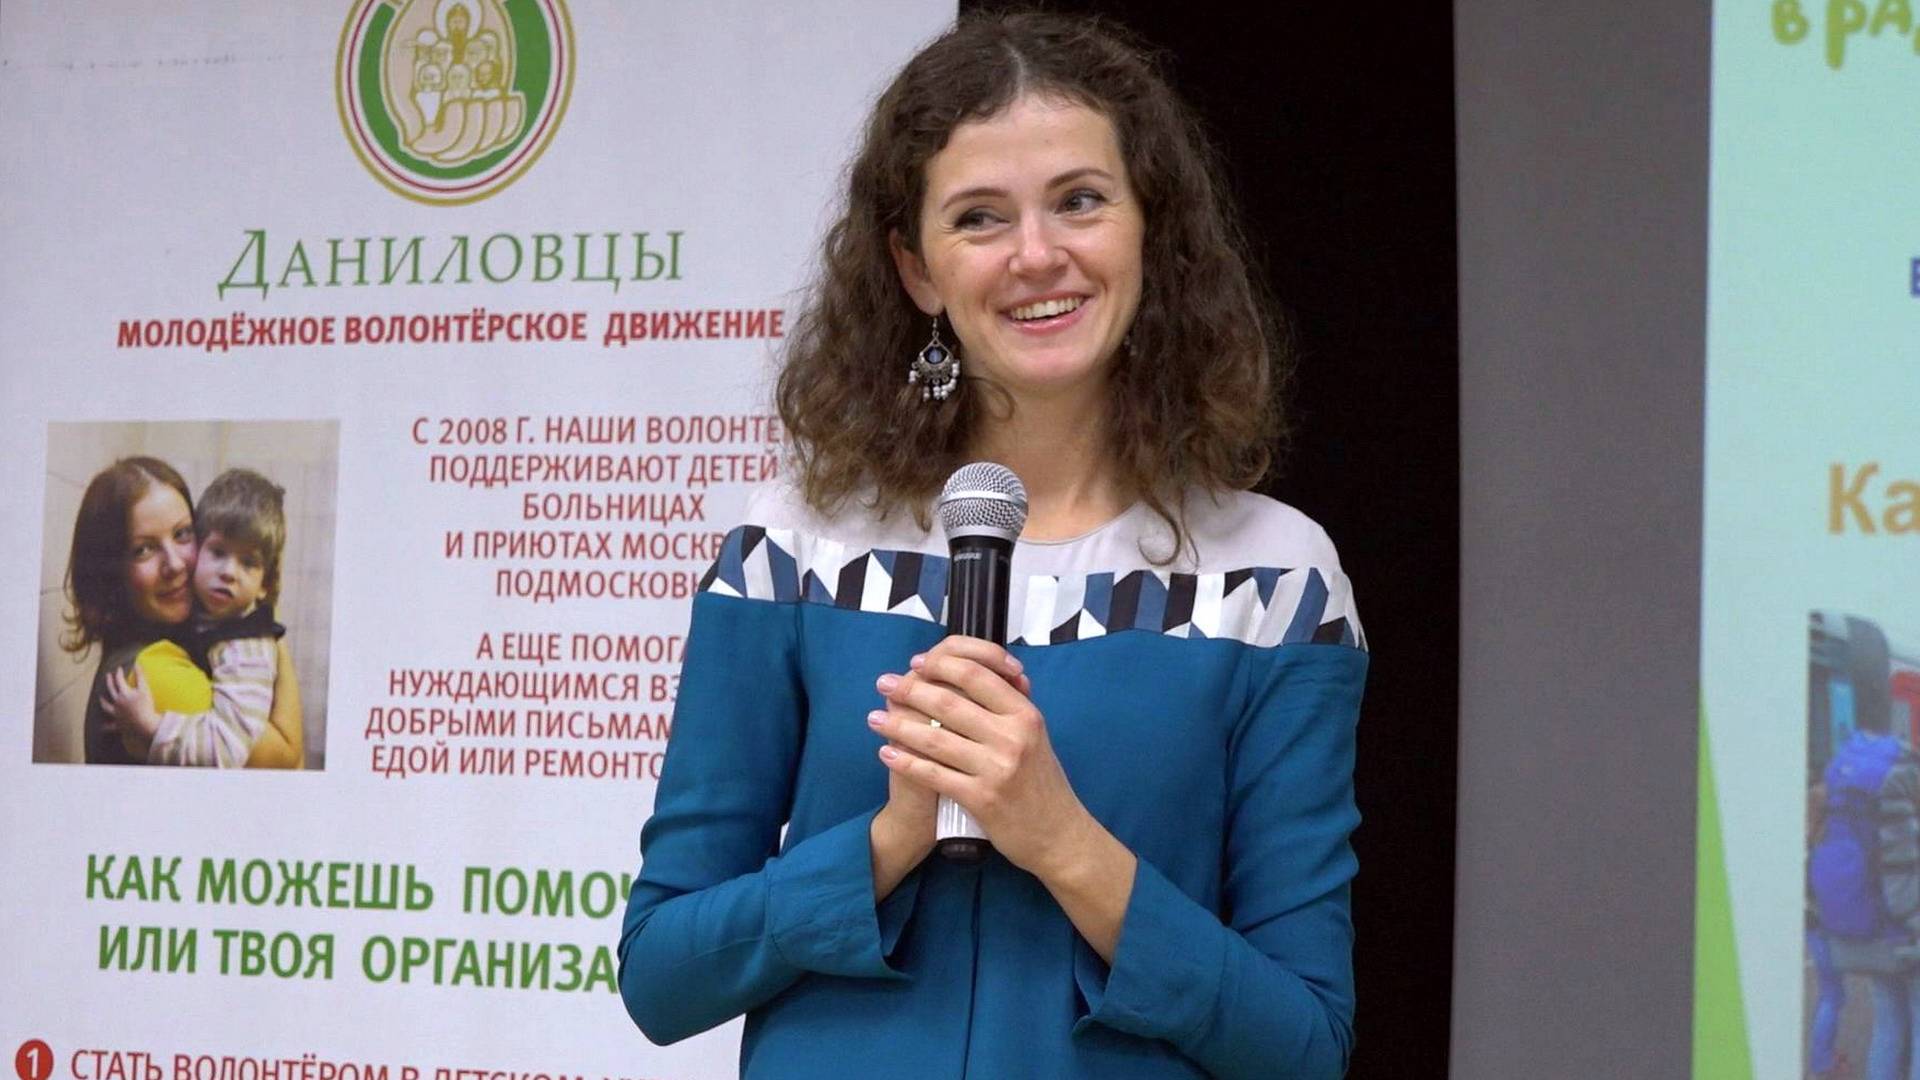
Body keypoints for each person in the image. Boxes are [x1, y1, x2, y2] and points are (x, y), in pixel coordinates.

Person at [617, 14, 1365, 1078]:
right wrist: (891, 839)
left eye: (1080, 201)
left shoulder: (1278, 579)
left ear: (1150, 230)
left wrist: (1062, 841)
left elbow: (1305, 1045)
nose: (1036, 255)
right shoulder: (789, 550)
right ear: (916, 268)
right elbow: (661, 975)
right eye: (979, 218)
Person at [62, 456, 303, 768]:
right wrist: (263, 627)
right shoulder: (155, 675)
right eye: (143, 549)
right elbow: (288, 758)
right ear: (110, 572)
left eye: (182, 534)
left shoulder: (181, 636)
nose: (175, 564)